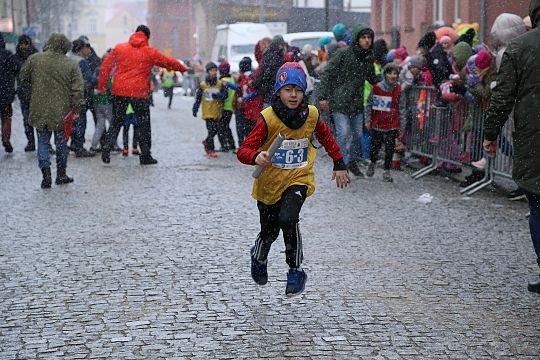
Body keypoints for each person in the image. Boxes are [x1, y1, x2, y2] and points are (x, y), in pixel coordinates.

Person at [237, 62, 350, 297]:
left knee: (288, 219)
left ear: (304, 92)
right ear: (278, 91)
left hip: (298, 177)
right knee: (269, 232)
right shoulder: (268, 118)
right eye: (288, 89)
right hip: (269, 183)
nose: (293, 95)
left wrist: (339, 163)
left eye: (298, 90)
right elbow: (244, 150)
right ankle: (258, 255)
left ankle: (295, 270)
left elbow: (327, 138)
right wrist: (256, 156)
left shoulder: (311, 115)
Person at [483, 0, 540, 293]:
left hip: (533, 134)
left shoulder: (520, 47)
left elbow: (503, 96)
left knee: (538, 204)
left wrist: (490, 133)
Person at [98, 25, 189, 165]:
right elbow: (167, 62)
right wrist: (182, 68)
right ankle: (145, 155)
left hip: (120, 91)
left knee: (116, 120)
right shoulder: (149, 52)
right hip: (139, 93)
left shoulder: (120, 48)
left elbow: (105, 66)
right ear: (148, 37)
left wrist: (102, 86)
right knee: (143, 124)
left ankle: (107, 146)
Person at [19, 33, 84, 188]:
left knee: (42, 142)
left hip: (39, 108)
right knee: (61, 144)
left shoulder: (35, 59)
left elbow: (23, 75)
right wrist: (76, 108)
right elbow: (78, 89)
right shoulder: (71, 64)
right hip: (62, 110)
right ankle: (61, 174)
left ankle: (46, 174)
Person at [317, 24, 378, 177]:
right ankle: (341, 165)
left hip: (356, 103)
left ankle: (352, 160)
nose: (367, 41)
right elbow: (328, 74)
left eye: (369, 38)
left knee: (358, 135)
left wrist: (389, 81)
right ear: (357, 39)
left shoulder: (368, 56)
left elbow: (371, 78)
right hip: (339, 100)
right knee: (343, 133)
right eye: (363, 37)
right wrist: (323, 97)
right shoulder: (343, 53)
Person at [365, 63, 406, 182]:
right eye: (390, 73)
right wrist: (367, 119)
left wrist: (402, 126)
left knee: (389, 148)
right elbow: (369, 104)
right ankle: (372, 163)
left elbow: (402, 107)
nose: (392, 76)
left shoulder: (399, 89)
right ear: (385, 74)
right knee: (375, 147)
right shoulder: (377, 87)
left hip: (392, 123)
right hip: (378, 122)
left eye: (395, 73)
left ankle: (386, 171)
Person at [192, 62, 229, 158]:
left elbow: (226, 96)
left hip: (217, 112)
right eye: (212, 70)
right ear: (208, 72)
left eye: (215, 70)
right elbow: (198, 98)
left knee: (216, 130)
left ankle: (206, 142)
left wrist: (218, 96)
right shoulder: (203, 85)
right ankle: (211, 149)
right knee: (211, 130)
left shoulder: (220, 84)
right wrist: (195, 109)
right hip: (208, 112)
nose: (214, 72)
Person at [69, 39, 95, 157]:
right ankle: (79, 147)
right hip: (79, 95)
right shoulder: (82, 62)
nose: (88, 50)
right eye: (86, 48)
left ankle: (74, 143)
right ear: (80, 49)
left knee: (72, 121)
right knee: (80, 121)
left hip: (67, 95)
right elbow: (89, 78)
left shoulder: (67, 59)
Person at [13, 35, 38, 151]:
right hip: (24, 94)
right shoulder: (16, 57)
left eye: (26, 43)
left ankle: (43, 144)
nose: (24, 46)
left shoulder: (37, 56)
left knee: (39, 121)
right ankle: (31, 142)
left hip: (37, 93)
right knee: (27, 120)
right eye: (22, 44)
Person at [0, 32, 18, 154]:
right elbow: (15, 70)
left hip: (5, 90)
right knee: (6, 118)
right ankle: (6, 138)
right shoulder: (8, 55)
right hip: (5, 92)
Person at [217, 60, 237, 152]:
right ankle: (231, 144)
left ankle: (224, 145)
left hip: (224, 107)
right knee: (226, 126)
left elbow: (221, 96)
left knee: (221, 127)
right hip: (231, 107)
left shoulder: (222, 81)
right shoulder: (232, 79)